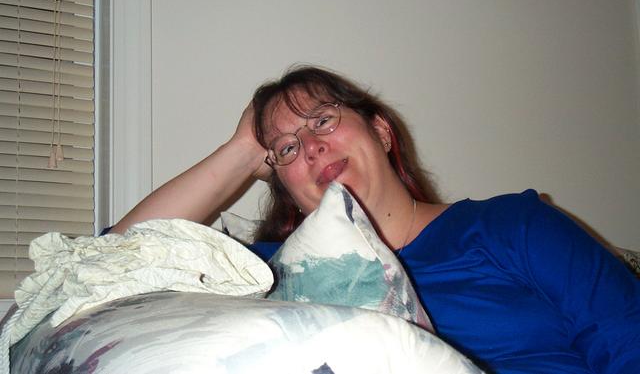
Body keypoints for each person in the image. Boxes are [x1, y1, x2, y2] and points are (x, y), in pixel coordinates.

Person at [110, 66, 640, 373]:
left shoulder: (513, 225)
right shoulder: (274, 276)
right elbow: (115, 263)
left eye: (323, 120)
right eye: (288, 148)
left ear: (381, 133)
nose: (311, 146)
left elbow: (627, 341)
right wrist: (243, 151)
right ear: (285, 187)